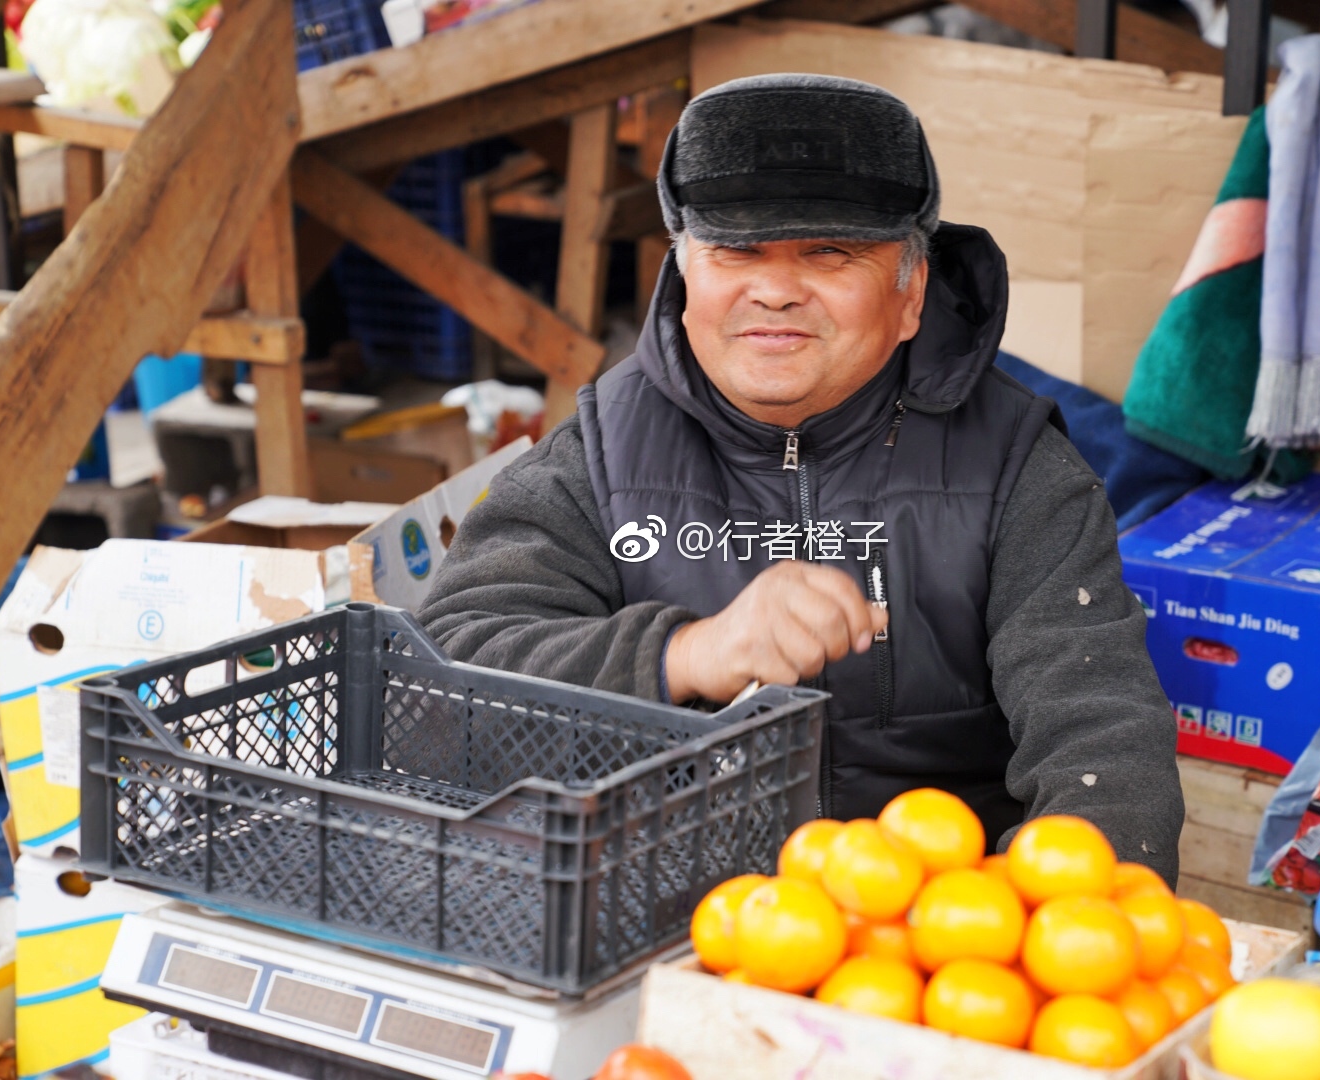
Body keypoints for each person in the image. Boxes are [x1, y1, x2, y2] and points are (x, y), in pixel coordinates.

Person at [419, 74, 1183, 880]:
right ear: (685, 278)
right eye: (736, 250)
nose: (775, 290)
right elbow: (432, 698)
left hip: (931, 944)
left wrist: (1050, 925)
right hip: (653, 932)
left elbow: (1101, 736)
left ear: (911, 291)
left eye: (828, 252)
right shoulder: (601, 457)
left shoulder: (1017, 468)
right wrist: (683, 654)